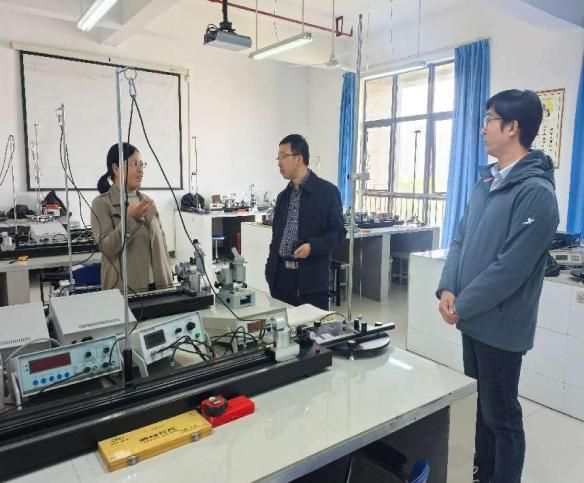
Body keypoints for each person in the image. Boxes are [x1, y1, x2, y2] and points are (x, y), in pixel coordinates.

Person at [436, 90, 559, 483]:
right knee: (481, 407)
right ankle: (483, 473)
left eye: (490, 119)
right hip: (473, 320)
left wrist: (462, 304)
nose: (483, 127)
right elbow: (459, 239)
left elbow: (509, 270)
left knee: (502, 415)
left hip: (501, 327)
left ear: (512, 127)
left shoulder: (536, 194)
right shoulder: (486, 182)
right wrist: (448, 288)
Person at [265, 134, 346, 310]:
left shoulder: (327, 193)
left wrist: (313, 247)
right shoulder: (283, 197)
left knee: (310, 327)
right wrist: (270, 271)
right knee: (282, 327)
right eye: (278, 157)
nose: (279, 163)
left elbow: (339, 233)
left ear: (299, 159)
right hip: (280, 282)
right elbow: (276, 237)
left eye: (283, 156)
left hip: (311, 284)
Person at [91, 142, 173, 292]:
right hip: (126, 291)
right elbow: (107, 248)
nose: (141, 170)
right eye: (135, 164)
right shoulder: (102, 204)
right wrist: (130, 219)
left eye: (142, 164)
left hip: (159, 287)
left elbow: (162, 245)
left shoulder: (147, 202)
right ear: (116, 168)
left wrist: (169, 279)